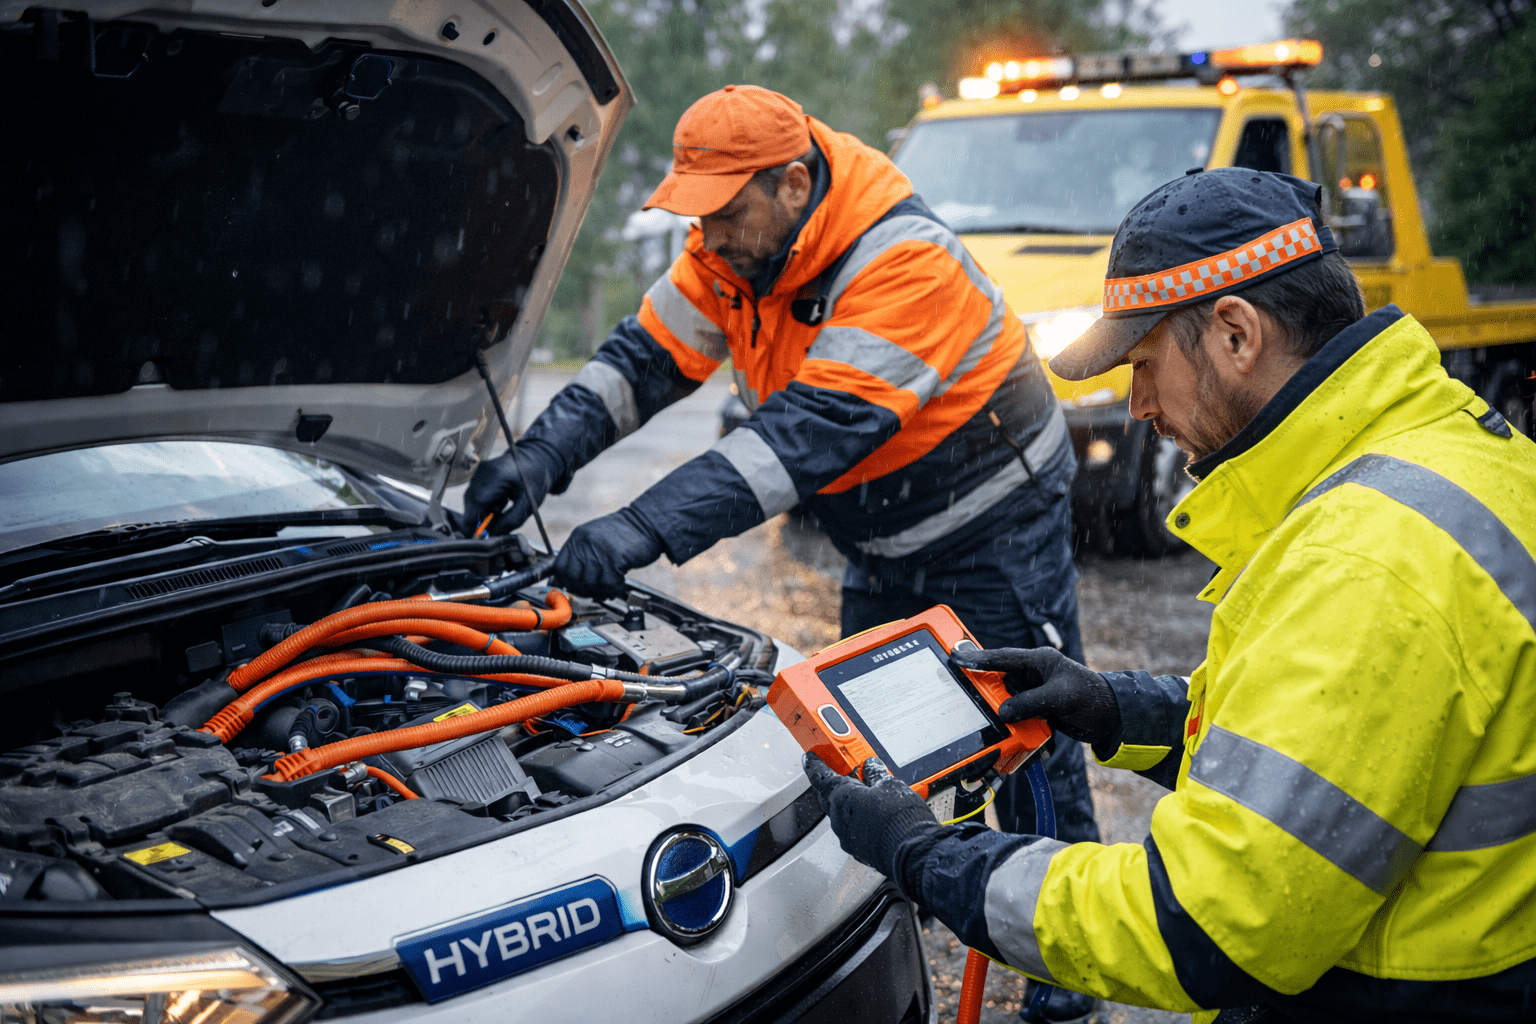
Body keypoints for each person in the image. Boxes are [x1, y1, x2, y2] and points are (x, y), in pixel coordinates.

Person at [803, 167, 1536, 1023]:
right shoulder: (1459, 456)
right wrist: (1120, 711)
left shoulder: (1362, 560)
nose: (1139, 403)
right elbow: (1353, 760)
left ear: (1235, 333)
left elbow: (1202, 926)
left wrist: (933, 857)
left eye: (1145, 364)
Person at [459, 86, 1100, 864]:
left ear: (793, 184)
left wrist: (641, 526)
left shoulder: (903, 263)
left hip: (995, 525)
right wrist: (540, 455)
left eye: (726, 214)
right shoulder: (733, 250)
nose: (708, 236)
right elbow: (642, 362)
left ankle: (1053, 946)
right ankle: (936, 884)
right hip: (880, 533)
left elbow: (802, 439)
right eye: (699, 216)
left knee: (1029, 725)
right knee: (890, 727)